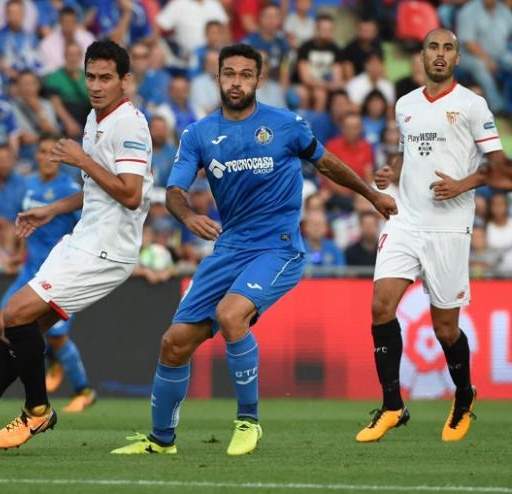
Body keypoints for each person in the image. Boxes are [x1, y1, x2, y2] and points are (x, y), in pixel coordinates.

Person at [111, 43, 397, 457]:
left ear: (259, 80)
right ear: (219, 77)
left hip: (277, 248)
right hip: (229, 249)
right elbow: (173, 191)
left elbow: (328, 163)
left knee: (231, 315)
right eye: (230, 73)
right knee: (173, 343)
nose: (237, 81)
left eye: (246, 74)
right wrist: (188, 217)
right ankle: (161, 441)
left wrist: (371, 195)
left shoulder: (285, 124)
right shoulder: (199, 133)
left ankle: (249, 421)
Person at [0, 40, 153, 453]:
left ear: (126, 80)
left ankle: (38, 410)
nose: (96, 85)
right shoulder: (96, 119)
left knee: (14, 314)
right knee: (17, 332)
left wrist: (81, 160)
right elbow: (96, 191)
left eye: (106, 77)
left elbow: (130, 193)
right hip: (85, 239)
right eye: (90, 76)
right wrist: (51, 209)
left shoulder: (130, 125)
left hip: (106, 249)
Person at [356, 28, 507, 444]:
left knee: (445, 330)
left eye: (448, 49)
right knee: (380, 306)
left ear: (457, 59)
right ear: (420, 57)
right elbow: (409, 152)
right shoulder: (404, 105)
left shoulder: (472, 106)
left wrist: (465, 183)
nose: (439, 55)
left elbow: (501, 169)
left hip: (448, 226)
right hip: (405, 220)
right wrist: (394, 171)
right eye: (432, 48)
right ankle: (391, 405)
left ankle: (463, 395)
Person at [0, 134, 96, 413]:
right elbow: (25, 223)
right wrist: (18, 253)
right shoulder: (29, 186)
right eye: (42, 151)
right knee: (3, 325)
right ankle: (47, 364)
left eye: (54, 152)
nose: (48, 156)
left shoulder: (69, 190)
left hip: (57, 273)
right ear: (36, 156)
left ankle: (84, 390)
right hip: (28, 269)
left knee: (57, 336)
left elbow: (87, 226)